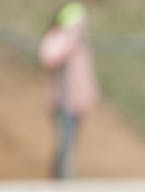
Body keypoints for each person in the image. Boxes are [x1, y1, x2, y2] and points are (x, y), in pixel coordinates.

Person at [38, 2, 99, 179]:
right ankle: (61, 181)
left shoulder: (81, 43)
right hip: (62, 102)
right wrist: (70, 39)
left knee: (70, 144)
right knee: (64, 144)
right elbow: (49, 57)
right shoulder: (58, 39)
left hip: (78, 103)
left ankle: (63, 179)